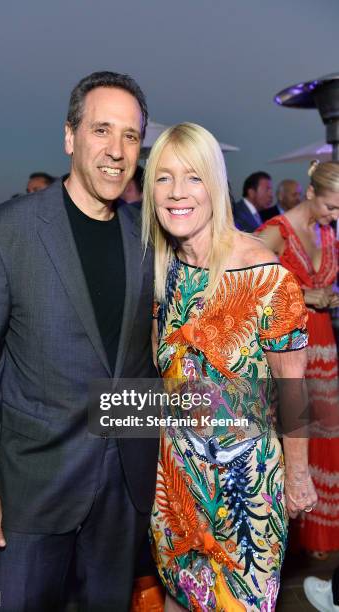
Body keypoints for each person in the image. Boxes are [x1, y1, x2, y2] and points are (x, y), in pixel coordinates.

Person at [0, 71, 158, 612]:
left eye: (131, 136)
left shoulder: (149, 238)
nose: (116, 150)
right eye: (101, 130)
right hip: (33, 488)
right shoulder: (3, 233)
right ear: (70, 137)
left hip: (124, 489)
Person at [141, 123, 316, 611]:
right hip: (175, 482)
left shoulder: (266, 277)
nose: (178, 193)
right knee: (178, 597)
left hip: (246, 498)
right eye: (164, 178)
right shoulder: (163, 268)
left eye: (193, 178)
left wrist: (298, 476)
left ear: (215, 184)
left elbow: (294, 390)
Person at [257, 160, 339, 558]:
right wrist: (305, 296)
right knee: (296, 433)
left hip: (324, 346)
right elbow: (251, 278)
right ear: (310, 193)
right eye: (331, 207)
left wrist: (328, 294)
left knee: (326, 437)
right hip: (291, 347)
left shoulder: (326, 230)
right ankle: (289, 534)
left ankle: (320, 537)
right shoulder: (275, 232)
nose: (335, 216)